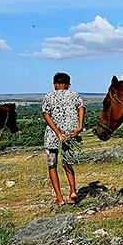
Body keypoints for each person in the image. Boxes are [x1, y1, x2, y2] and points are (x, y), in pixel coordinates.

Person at [42, 72, 85, 206]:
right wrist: (79, 127)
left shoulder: (48, 96)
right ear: (68, 85)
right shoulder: (75, 95)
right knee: (68, 163)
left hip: (52, 136)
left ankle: (59, 198)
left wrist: (57, 132)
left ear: (55, 84)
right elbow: (81, 108)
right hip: (71, 134)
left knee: (52, 166)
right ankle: (73, 192)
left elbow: (46, 114)